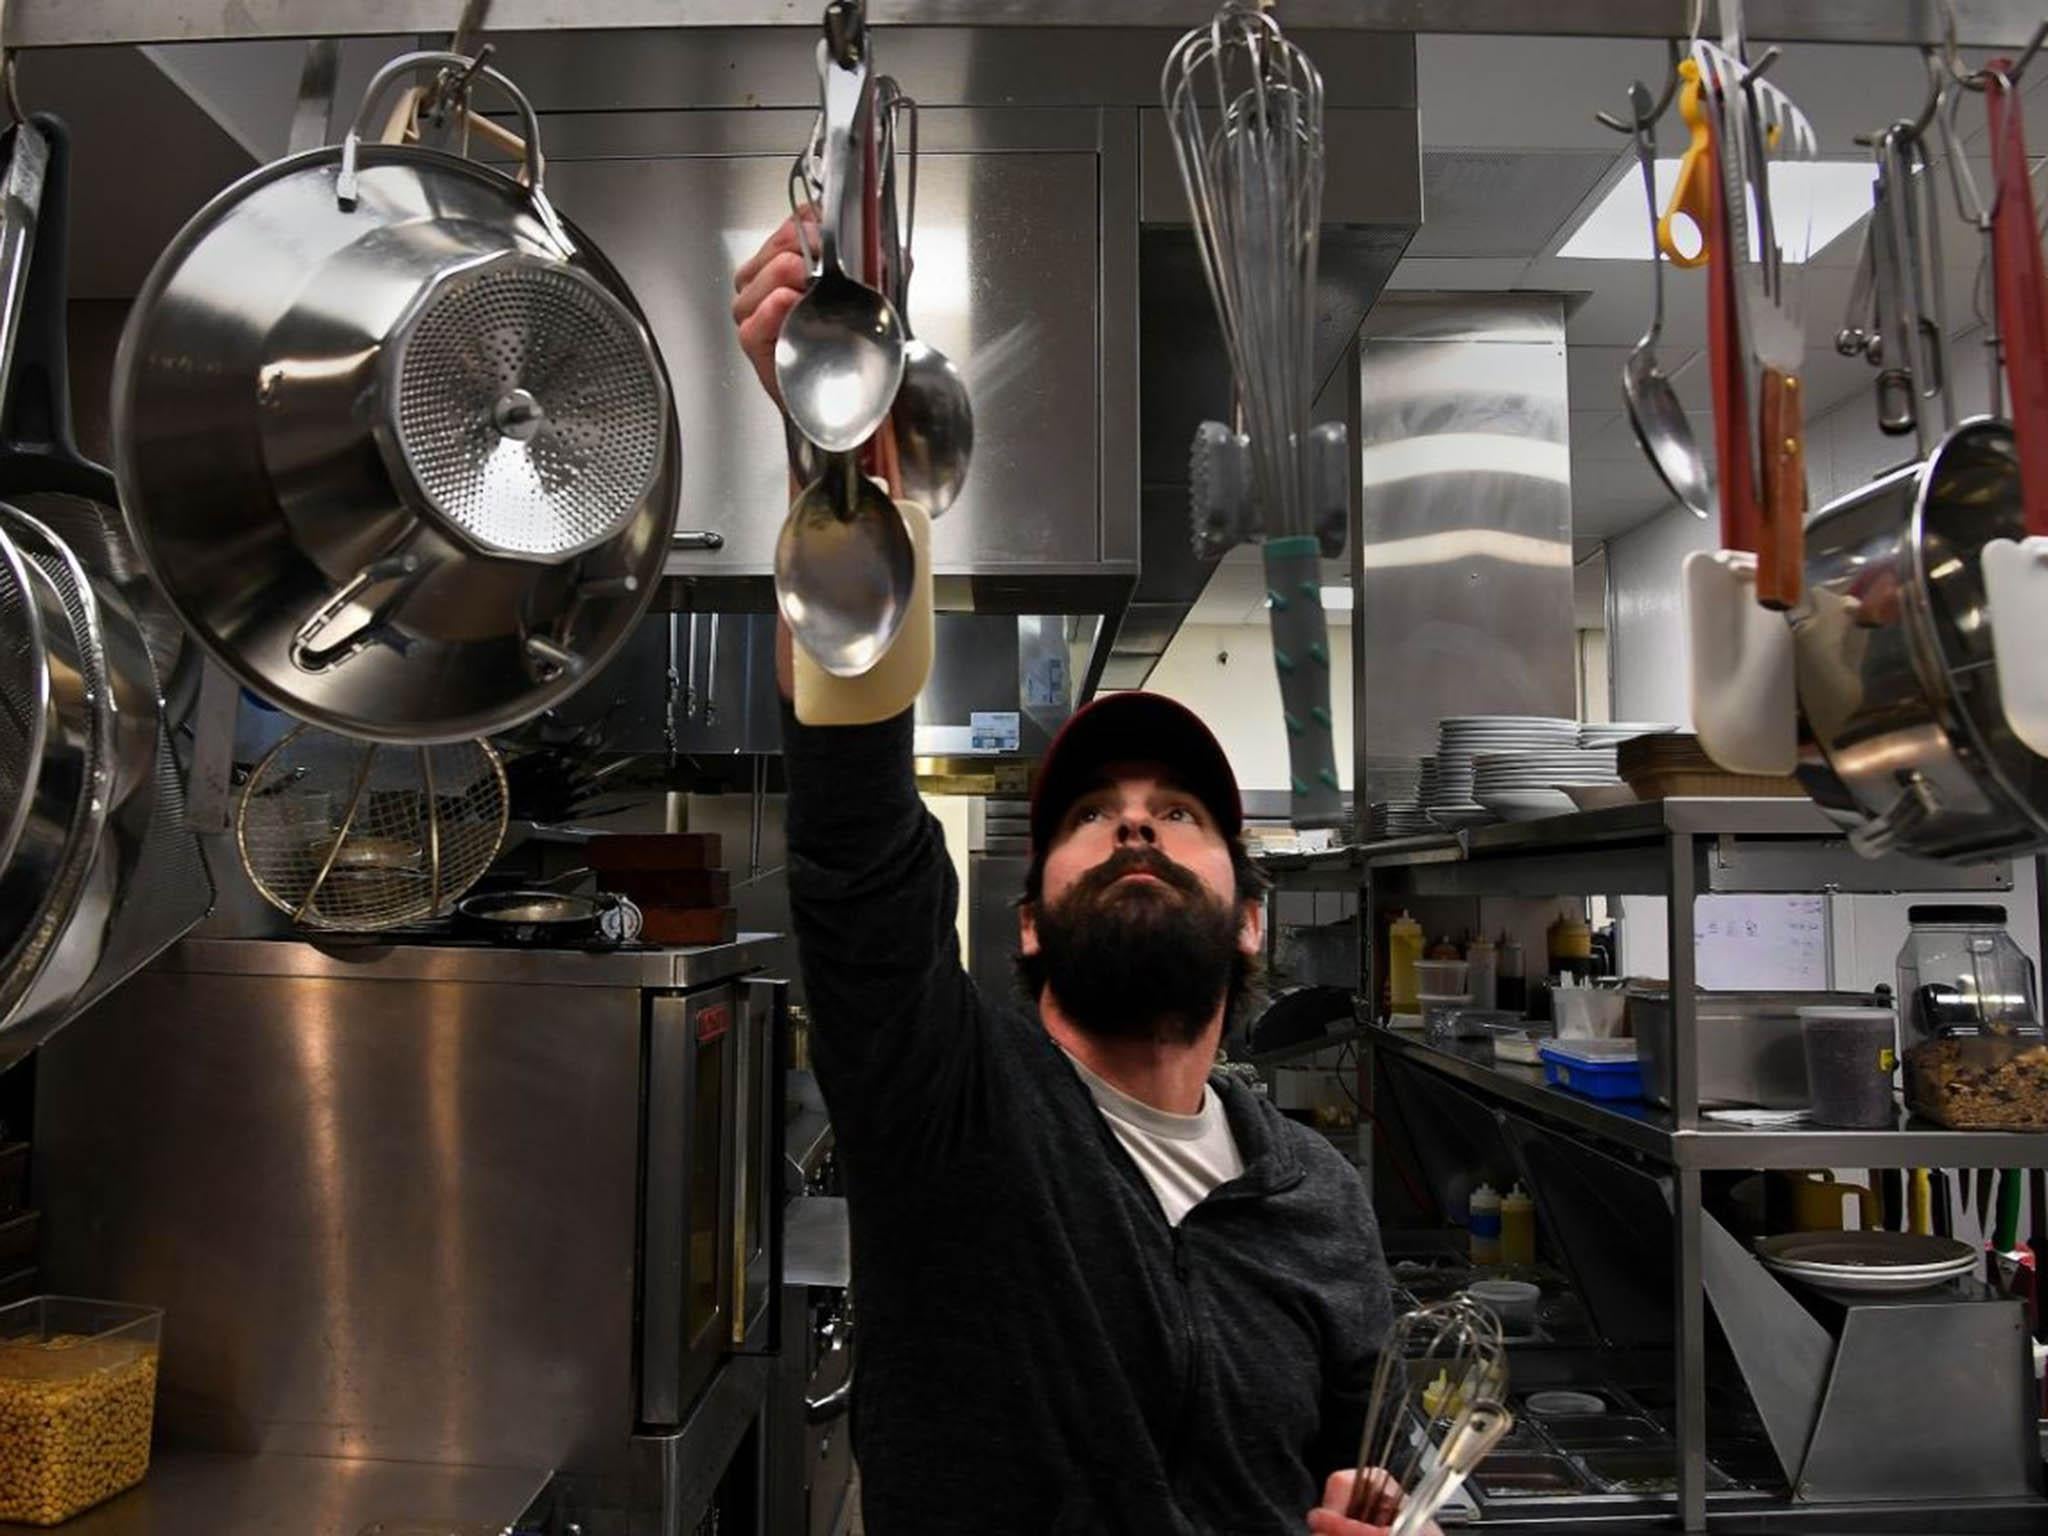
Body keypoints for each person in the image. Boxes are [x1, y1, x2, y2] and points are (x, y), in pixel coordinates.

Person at [734, 217, 1408, 1535]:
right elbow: (862, 853)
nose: (1138, 828)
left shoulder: (1320, 1202)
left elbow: (1375, 1461)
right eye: (1094, 814)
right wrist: (844, 484)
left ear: (1254, 923)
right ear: (1030, 925)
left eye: (1179, 814)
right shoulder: (956, 1108)